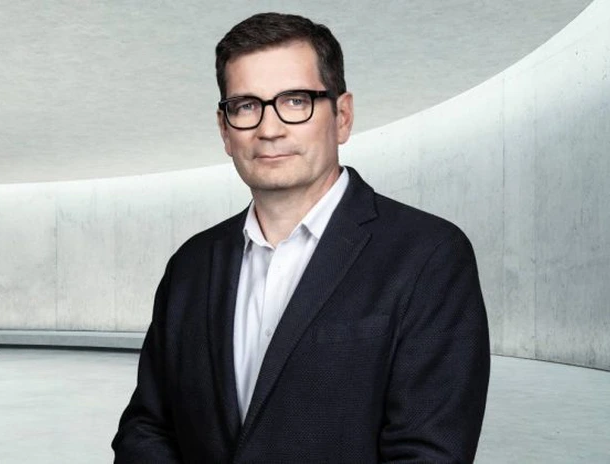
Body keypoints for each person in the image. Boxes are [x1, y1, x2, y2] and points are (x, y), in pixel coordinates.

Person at [112, 12, 490, 463]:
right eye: (246, 106)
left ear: (342, 116)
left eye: (295, 101)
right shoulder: (190, 265)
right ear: (225, 131)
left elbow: (429, 453)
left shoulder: (429, 256)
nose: (269, 129)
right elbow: (147, 428)